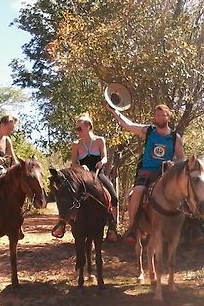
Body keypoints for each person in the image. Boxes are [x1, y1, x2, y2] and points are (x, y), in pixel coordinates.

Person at [107, 104, 185, 244]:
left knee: (186, 190)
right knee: (137, 191)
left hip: (166, 174)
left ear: (168, 116)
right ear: (154, 117)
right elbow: (128, 124)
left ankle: (190, 228)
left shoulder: (175, 137)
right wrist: (115, 111)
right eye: (158, 115)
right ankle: (132, 228)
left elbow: (182, 159)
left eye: (164, 115)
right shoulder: (149, 131)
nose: (161, 117)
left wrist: (174, 164)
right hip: (147, 171)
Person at [51, 113, 119, 242]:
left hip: (98, 173)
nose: (77, 131)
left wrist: (102, 162)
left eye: (79, 128)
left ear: (88, 127)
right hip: (81, 176)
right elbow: (74, 162)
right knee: (66, 193)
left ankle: (112, 226)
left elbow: (104, 156)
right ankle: (62, 222)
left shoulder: (99, 140)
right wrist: (80, 167)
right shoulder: (76, 144)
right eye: (76, 129)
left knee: (113, 197)